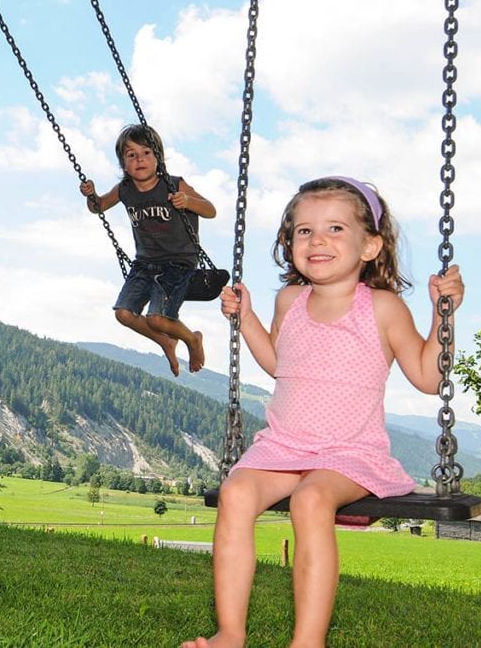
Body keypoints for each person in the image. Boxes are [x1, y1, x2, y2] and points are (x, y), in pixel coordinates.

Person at [182, 176, 465, 648]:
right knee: (235, 493)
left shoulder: (382, 308)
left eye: (335, 229)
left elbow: (427, 377)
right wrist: (245, 318)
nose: (317, 241)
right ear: (289, 243)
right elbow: (278, 363)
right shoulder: (289, 301)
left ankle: (307, 642)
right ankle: (230, 633)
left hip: (349, 453)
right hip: (285, 446)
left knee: (310, 500)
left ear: (370, 246)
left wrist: (444, 315)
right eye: (304, 231)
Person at [80, 124, 216, 376]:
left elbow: (210, 210)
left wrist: (187, 202)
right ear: (123, 164)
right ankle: (165, 341)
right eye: (131, 155)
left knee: (157, 318)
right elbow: (98, 207)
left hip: (178, 263)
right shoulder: (125, 190)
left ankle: (192, 339)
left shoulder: (174, 185)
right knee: (123, 313)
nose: (139, 159)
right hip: (144, 263)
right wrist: (91, 194)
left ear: (159, 159)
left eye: (146, 153)